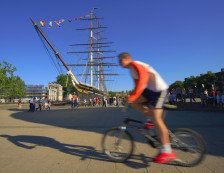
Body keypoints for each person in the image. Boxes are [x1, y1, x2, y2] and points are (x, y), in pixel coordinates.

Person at [118, 52, 176, 163]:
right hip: (150, 90)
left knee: (157, 119)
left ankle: (167, 151)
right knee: (134, 103)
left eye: (121, 60)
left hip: (159, 90)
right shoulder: (131, 71)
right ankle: (150, 119)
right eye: (119, 61)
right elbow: (137, 86)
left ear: (127, 59)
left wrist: (133, 95)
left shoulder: (136, 65)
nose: (120, 63)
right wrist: (131, 97)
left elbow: (143, 79)